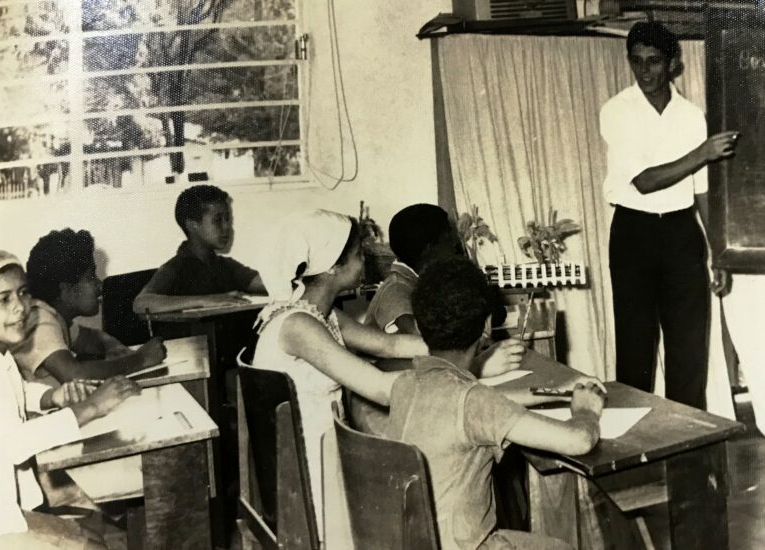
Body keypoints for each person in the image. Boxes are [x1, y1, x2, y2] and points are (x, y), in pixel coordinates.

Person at [386, 257, 605, 550]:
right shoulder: (474, 402)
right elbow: (578, 441)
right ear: (487, 325)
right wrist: (586, 412)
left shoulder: (405, 385)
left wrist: (552, 392)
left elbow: (477, 403)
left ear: (422, 326)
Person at [249, 208, 427, 537]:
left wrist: (460, 344)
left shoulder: (317, 313)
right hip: (308, 470)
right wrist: (452, 372)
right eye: (360, 255)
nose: (366, 263)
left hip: (328, 450)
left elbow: (388, 346)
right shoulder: (297, 325)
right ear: (333, 265)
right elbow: (380, 388)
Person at [600, 21, 738, 409]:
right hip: (633, 234)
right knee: (635, 353)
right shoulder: (617, 110)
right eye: (637, 62)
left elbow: (702, 190)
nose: (645, 71)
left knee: (689, 353)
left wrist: (719, 251)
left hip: (681, 234)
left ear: (673, 64)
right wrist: (702, 153)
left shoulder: (692, 116)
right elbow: (644, 182)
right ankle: (636, 453)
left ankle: (686, 454)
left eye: (654, 62)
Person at [0, 250, 141, 549]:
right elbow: (14, 443)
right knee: (93, 545)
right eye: (3, 300)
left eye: (22, 293)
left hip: (4, 509)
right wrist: (92, 407)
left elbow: (14, 392)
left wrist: (51, 396)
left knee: (92, 536)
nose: (19, 307)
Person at [365, 203, 524, 376]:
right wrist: (478, 362)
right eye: (448, 239)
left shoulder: (424, 280)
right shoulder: (395, 289)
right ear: (429, 249)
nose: (455, 245)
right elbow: (423, 340)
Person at [13, 229, 166, 385]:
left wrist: (111, 346)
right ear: (67, 290)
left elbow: (91, 338)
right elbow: (73, 374)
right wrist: (140, 359)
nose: (100, 285)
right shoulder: (40, 322)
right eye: (91, 277)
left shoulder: (54, 317)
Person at [133, 184, 267, 314]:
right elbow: (141, 302)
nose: (227, 227)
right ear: (192, 226)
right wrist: (206, 300)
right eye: (217, 220)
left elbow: (270, 283)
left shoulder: (226, 265)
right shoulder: (176, 267)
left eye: (227, 219)